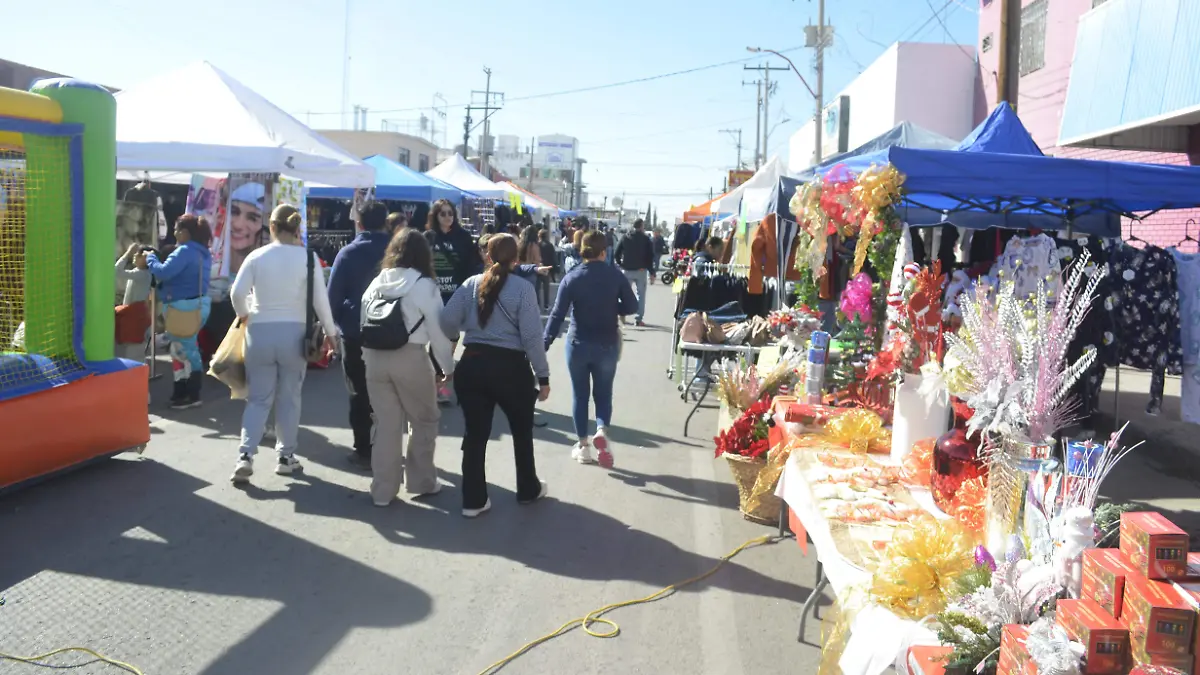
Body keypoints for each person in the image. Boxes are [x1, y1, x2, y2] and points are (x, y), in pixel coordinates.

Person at [440, 234, 550, 518]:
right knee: (521, 431)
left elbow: (446, 320)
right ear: (517, 259)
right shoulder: (524, 289)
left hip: (472, 364)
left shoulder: (470, 284)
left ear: (486, 256)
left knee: (475, 434)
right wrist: (543, 376)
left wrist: (464, 330)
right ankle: (528, 489)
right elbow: (532, 337)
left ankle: (473, 501)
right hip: (510, 368)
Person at [229, 204, 338, 483]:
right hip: (294, 335)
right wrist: (330, 334)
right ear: (297, 228)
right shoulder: (308, 258)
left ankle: (245, 455)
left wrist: (246, 314)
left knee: (258, 399)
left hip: (259, 333)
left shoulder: (257, 256)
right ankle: (285, 457)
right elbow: (320, 302)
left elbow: (237, 293)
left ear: (272, 227)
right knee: (289, 398)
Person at [359, 228, 454, 507]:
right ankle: (422, 482)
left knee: (386, 425)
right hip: (411, 357)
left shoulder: (376, 282)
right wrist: (446, 367)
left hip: (375, 359)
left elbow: (363, 324)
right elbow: (438, 333)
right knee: (424, 420)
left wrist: (367, 359)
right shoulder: (424, 285)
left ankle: (382, 491)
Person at [544, 231, 637, 468]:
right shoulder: (615, 276)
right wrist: (611, 304)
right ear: (604, 252)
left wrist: (544, 342)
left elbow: (557, 314)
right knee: (604, 393)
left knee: (580, 395)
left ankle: (583, 446)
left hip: (577, 344)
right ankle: (601, 429)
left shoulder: (572, 277)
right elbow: (632, 305)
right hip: (606, 344)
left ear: (581, 250)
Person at [326, 200, 392, 470]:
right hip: (392, 329)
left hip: (355, 330)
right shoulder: (396, 250)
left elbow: (333, 296)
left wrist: (332, 330)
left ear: (360, 222)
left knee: (358, 390)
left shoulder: (348, 253)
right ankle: (388, 443)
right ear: (386, 220)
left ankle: (363, 447)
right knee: (388, 390)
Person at [138, 214, 213, 409]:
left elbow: (163, 272)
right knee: (181, 349)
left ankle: (190, 394)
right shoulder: (202, 253)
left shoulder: (184, 252)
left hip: (182, 308)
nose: (174, 233)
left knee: (185, 351)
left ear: (185, 233)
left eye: (177, 229)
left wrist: (151, 257)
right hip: (197, 306)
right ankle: (181, 392)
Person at [425, 199, 484, 404]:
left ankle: (440, 377)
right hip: (432, 295)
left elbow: (471, 265)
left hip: (456, 296)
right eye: (443, 213)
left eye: (450, 213)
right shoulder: (428, 238)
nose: (448, 217)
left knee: (450, 340)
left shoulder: (463, 238)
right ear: (435, 215)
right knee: (437, 340)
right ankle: (437, 383)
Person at [115, 243, 153, 362]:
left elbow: (116, 271)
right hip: (134, 316)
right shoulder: (138, 272)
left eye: (140, 254)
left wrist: (127, 254)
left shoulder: (142, 274)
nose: (135, 255)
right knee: (133, 352)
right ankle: (138, 377)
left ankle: (139, 378)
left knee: (134, 353)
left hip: (136, 317)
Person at [614, 219, 655, 327]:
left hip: (627, 270)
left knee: (622, 293)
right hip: (641, 270)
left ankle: (621, 313)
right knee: (641, 295)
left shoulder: (625, 237)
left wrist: (621, 264)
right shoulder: (646, 239)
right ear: (641, 226)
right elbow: (650, 257)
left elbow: (616, 253)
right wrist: (652, 272)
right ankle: (638, 319)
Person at [227, 181, 266, 275]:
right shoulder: (212, 272)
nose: (238, 225)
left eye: (252, 218)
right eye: (234, 212)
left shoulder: (266, 275)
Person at [536, 229, 557, 311]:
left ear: (539, 235)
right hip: (547, 268)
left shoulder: (536, 245)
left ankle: (537, 304)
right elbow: (553, 258)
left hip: (538, 267)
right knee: (546, 288)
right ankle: (546, 305)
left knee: (537, 288)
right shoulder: (549, 245)